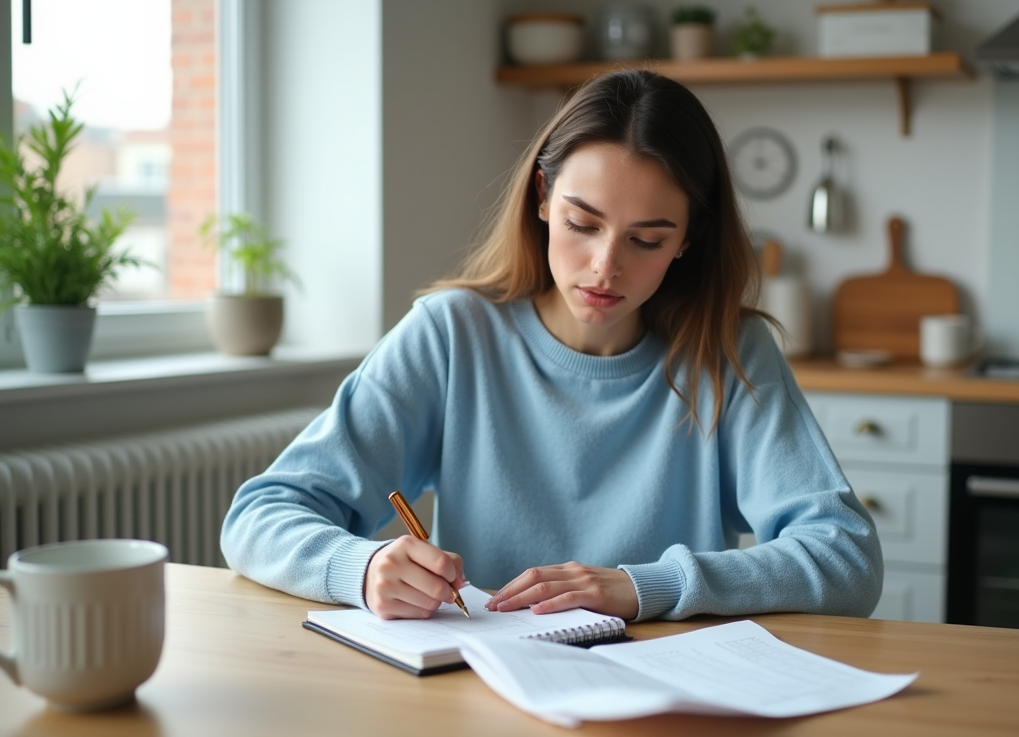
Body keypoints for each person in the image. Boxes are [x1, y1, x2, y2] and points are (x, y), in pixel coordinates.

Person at [220, 69, 882, 623]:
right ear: (542, 196)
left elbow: (846, 557)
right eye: (581, 223)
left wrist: (643, 587)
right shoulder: (450, 335)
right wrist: (360, 567)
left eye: (646, 240)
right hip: (476, 693)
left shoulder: (730, 352)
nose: (603, 267)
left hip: (664, 699)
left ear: (689, 238)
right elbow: (259, 516)